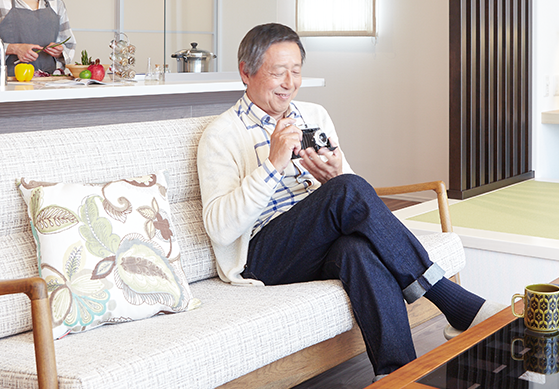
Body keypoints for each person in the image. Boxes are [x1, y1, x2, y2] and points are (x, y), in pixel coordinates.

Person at [197, 23, 501, 379]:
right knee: (346, 191)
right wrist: (272, 166)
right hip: (263, 255)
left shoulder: (314, 115)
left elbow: (355, 196)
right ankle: (450, 299)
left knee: (357, 249)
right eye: (278, 72)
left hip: (315, 243)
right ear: (245, 72)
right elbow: (220, 229)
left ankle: (396, 376)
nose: (289, 83)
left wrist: (333, 175)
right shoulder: (221, 134)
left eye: (296, 71)